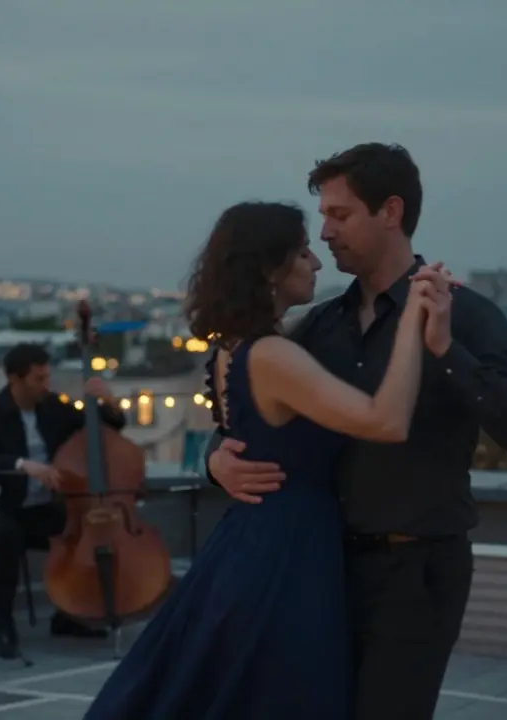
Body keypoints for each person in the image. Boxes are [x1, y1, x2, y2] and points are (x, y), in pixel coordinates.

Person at [204, 143, 507, 719]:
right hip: (319, 569)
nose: (324, 233)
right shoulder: (318, 324)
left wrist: (446, 349)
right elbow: (251, 407)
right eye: (322, 216)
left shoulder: (466, 314)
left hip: (415, 574)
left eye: (339, 215)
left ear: (390, 212)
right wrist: (216, 457)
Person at [85, 200, 453, 719]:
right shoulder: (272, 355)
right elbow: (386, 421)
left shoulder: (233, 349)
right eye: (302, 253)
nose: (317, 262)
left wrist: (215, 459)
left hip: (252, 538)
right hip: (287, 550)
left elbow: (240, 432)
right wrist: (413, 324)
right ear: (269, 269)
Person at [0, 342, 124, 658]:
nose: (46, 385)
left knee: (84, 531)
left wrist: (108, 400)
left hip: (41, 510)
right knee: (4, 537)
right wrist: (22, 465)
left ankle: (69, 614)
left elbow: (105, 426)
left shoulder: (52, 407)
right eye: (38, 379)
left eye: (47, 377)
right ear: (15, 379)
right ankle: (4, 627)